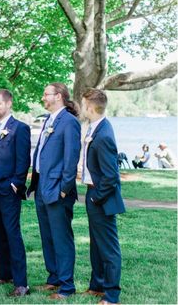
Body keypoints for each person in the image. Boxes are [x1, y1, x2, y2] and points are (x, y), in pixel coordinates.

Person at [27, 82, 81, 300]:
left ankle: (67, 286)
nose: (43, 98)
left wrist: (64, 189)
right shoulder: (49, 119)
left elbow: (71, 158)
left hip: (58, 190)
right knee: (47, 236)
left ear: (58, 96)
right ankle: (54, 278)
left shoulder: (69, 122)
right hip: (42, 187)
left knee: (61, 238)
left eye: (46, 94)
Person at [0, 89, 31, 297]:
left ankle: (21, 283)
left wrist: (16, 183)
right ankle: (4, 273)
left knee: (12, 234)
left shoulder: (19, 128)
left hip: (8, 189)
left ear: (8, 104)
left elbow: (23, 159)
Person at [81, 88, 125, 305]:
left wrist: (95, 197)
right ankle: (96, 286)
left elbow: (111, 176)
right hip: (93, 194)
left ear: (90, 107)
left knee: (108, 249)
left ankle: (112, 295)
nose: (81, 108)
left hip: (102, 199)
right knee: (96, 245)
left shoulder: (104, 134)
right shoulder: (94, 127)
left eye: (82, 104)